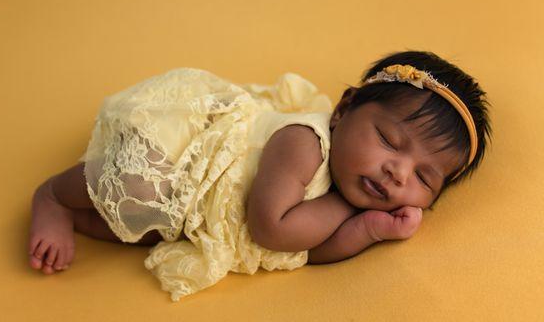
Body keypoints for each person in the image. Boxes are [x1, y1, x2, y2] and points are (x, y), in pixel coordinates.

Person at [27, 50, 492, 301]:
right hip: (185, 151)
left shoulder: (354, 192)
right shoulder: (304, 142)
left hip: (202, 209)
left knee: (150, 230)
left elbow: (309, 252)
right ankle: (54, 195)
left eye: (424, 178)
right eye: (390, 141)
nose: (397, 172)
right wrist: (346, 207)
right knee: (141, 188)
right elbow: (274, 231)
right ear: (345, 110)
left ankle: (80, 220)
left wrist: (370, 228)